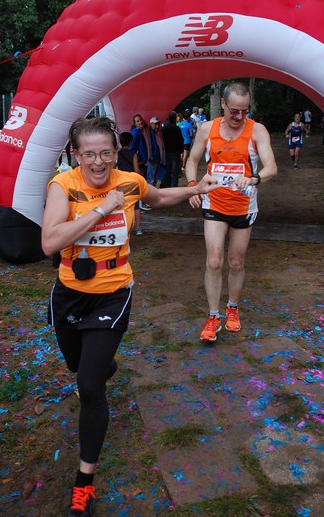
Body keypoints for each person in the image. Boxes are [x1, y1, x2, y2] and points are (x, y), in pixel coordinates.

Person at [41, 116, 218, 517]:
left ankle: (84, 481)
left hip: (113, 293)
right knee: (78, 366)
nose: (98, 162)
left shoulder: (130, 181)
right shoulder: (63, 186)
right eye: (89, 154)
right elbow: (49, 241)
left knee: (89, 385)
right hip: (70, 294)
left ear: (116, 152)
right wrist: (100, 210)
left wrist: (195, 187)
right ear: (76, 155)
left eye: (106, 152)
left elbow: (156, 197)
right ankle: (101, 363)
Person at [185, 82, 277, 343]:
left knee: (236, 262)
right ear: (223, 104)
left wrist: (254, 179)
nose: (239, 117)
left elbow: (271, 167)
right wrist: (193, 186)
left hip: (243, 206)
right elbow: (192, 160)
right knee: (214, 261)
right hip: (214, 203)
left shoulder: (257, 130)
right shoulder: (207, 129)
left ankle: (232, 308)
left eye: (244, 111)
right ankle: (213, 316)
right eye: (234, 111)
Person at [117, 131, 142, 235]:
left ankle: (124, 227)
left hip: (121, 181)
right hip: (132, 181)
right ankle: (138, 227)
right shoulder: (133, 154)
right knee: (136, 205)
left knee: (123, 205)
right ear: (131, 142)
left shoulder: (117, 154)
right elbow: (136, 170)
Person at [160, 111, 184, 188]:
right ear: (174, 118)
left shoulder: (163, 128)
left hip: (166, 151)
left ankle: (166, 185)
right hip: (175, 152)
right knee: (175, 171)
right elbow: (180, 140)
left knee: (167, 170)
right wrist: (181, 150)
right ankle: (174, 186)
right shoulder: (176, 128)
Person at [148, 117, 166, 186]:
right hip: (153, 159)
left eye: (158, 124)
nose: (157, 126)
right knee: (151, 180)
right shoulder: (150, 134)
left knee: (155, 180)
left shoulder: (158, 133)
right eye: (155, 124)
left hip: (158, 159)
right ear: (151, 124)